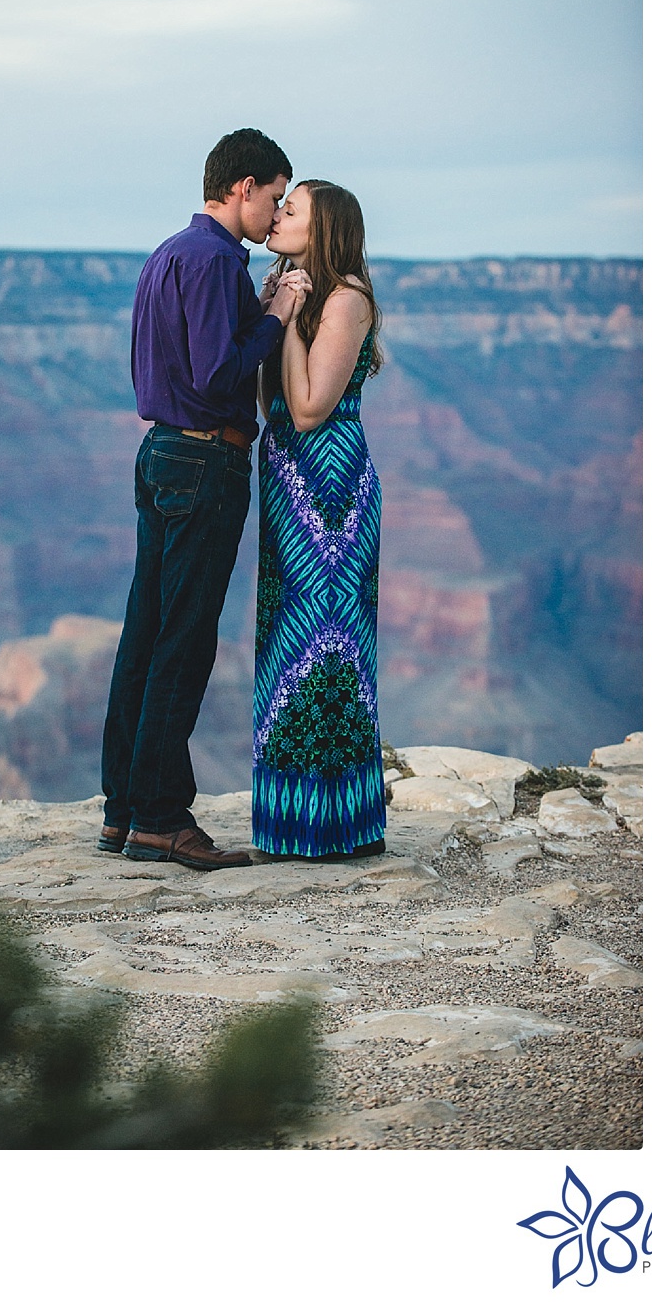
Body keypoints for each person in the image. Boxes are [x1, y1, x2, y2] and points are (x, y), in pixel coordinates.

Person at [99, 128, 307, 871]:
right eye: (274, 197)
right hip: (205, 459)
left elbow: (165, 360)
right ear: (243, 186)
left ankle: (122, 809)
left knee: (145, 635)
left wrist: (254, 311)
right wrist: (278, 316)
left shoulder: (169, 254)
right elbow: (221, 377)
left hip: (158, 453)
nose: (275, 212)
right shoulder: (218, 260)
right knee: (184, 641)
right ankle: (161, 818)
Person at [250, 179, 388, 858]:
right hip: (285, 478)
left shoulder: (347, 297)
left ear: (323, 228)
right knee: (287, 642)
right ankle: (287, 821)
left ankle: (337, 824)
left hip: (330, 490)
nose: (277, 217)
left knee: (330, 646)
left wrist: (288, 313)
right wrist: (275, 309)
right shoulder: (292, 286)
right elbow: (265, 395)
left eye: (292, 210)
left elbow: (307, 407)